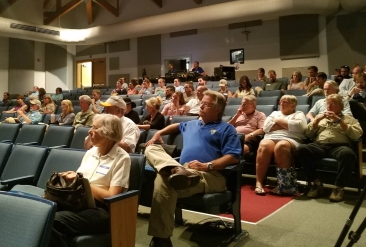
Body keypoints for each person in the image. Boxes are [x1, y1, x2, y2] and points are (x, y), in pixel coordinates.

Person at [144, 90, 241, 246]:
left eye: (206, 104)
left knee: (163, 179)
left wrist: (208, 166)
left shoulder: (226, 129)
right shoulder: (192, 123)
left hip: (210, 175)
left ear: (217, 109)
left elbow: (234, 156)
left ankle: (161, 239)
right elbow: (176, 125)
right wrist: (158, 133)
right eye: (201, 102)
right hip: (184, 170)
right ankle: (175, 170)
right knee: (150, 148)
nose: (201, 105)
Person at [49, 114, 131, 247]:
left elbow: (112, 197)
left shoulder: (122, 158)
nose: (89, 131)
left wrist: (81, 180)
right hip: (79, 201)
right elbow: (79, 179)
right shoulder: (91, 152)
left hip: (100, 210)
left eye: (94, 127)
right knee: (42, 211)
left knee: (53, 221)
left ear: (108, 133)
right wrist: (73, 177)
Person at [298, 94, 362, 202]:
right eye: (327, 103)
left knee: (348, 154)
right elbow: (308, 134)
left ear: (341, 106)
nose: (329, 106)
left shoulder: (349, 119)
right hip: (320, 145)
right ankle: (317, 184)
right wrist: (316, 121)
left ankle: (339, 188)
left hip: (339, 146)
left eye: (332, 103)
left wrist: (339, 121)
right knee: (302, 149)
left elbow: (357, 135)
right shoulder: (320, 118)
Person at [255, 95, 307, 195]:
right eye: (281, 102)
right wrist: (288, 125)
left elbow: (300, 127)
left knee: (281, 146)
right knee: (264, 145)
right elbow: (266, 128)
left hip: (290, 139)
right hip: (271, 137)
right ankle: (259, 183)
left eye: (285, 102)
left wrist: (278, 121)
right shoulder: (275, 113)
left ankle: (284, 185)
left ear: (293, 105)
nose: (281, 103)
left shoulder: (299, 113)